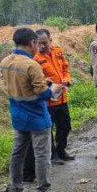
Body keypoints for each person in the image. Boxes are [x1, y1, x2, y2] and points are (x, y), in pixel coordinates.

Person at [0, 28, 65, 192]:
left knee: (17, 154)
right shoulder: (31, 65)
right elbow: (43, 94)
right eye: (36, 43)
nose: (38, 46)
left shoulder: (5, 61)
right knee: (42, 155)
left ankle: (15, 191)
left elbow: (21, 86)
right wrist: (53, 88)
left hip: (18, 116)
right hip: (37, 117)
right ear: (31, 43)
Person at [34, 29, 74, 163]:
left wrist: (66, 80)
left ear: (50, 40)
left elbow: (65, 69)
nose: (42, 46)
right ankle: (53, 155)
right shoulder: (35, 58)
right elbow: (37, 79)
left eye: (44, 43)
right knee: (49, 129)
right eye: (39, 44)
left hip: (62, 97)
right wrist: (49, 83)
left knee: (66, 126)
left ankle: (61, 150)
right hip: (48, 100)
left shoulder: (58, 51)